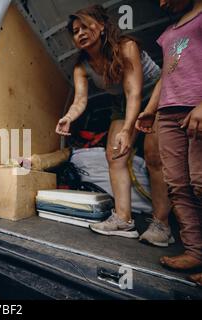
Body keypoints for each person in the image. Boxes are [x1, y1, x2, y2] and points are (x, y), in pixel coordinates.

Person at [56, 5, 172, 244]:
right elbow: (80, 101)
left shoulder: (126, 47)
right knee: (114, 155)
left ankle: (162, 225)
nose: (81, 33)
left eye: (86, 27)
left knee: (153, 155)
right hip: (123, 102)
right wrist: (68, 116)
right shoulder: (82, 66)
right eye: (76, 31)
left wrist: (129, 131)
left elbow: (134, 92)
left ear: (100, 26)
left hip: (155, 95)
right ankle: (123, 220)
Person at [136, 0, 202, 286]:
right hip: (167, 112)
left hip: (196, 108)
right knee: (178, 183)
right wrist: (151, 109)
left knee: (200, 181)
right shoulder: (168, 32)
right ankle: (195, 251)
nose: (161, 2)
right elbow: (166, 74)